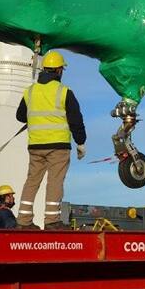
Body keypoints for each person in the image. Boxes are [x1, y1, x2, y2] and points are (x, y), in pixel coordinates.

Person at [15, 50, 86, 230]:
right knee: (54, 182)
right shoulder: (64, 92)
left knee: (32, 181)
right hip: (58, 146)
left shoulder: (30, 91)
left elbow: (20, 116)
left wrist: (37, 118)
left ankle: (23, 222)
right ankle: (52, 221)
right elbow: (76, 119)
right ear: (59, 70)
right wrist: (81, 142)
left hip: (35, 145)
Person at [0, 185, 33, 289]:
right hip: (10, 256)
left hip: (2, 256)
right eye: (11, 196)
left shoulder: (0, 212)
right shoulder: (5, 213)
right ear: (5, 198)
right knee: (15, 284)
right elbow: (14, 229)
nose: (13, 198)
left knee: (4, 285)